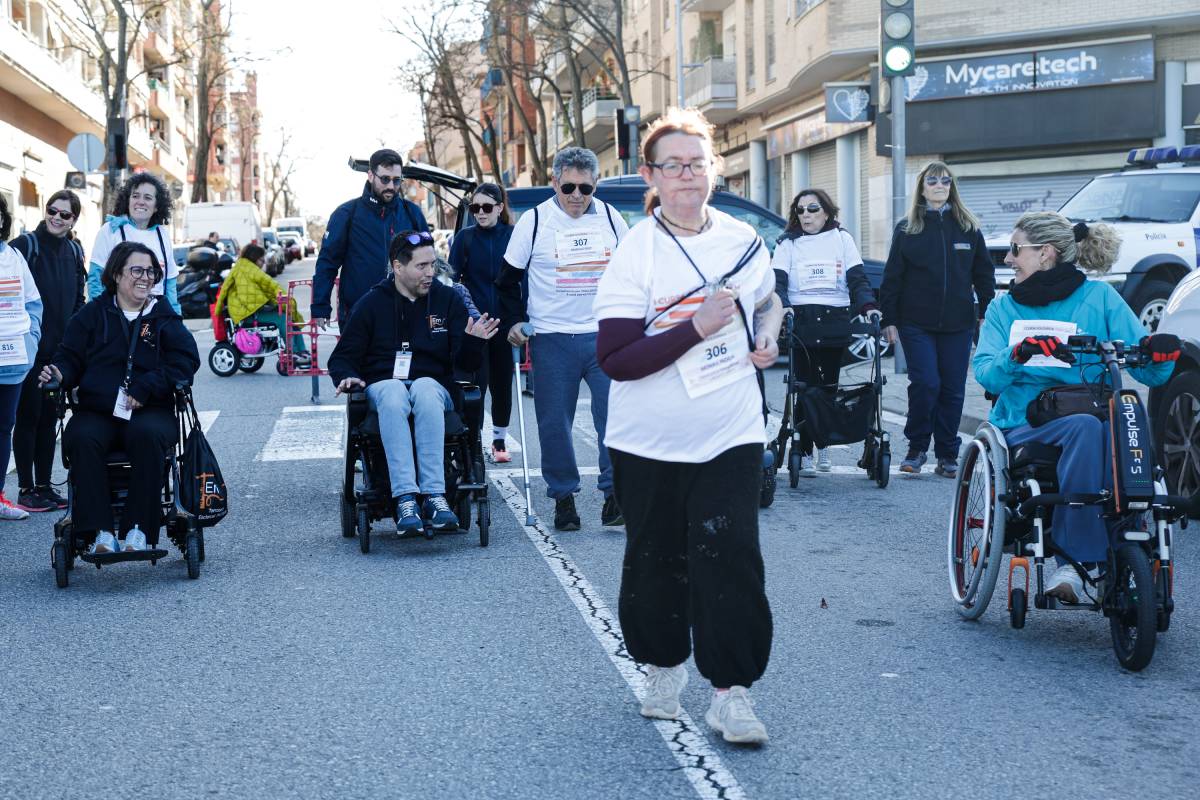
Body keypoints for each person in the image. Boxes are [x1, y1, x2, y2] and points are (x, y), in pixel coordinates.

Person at [594, 108, 782, 745]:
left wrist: (767, 331)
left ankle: (732, 694)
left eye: (697, 164)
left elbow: (767, 297)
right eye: (672, 166)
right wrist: (693, 329)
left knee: (730, 555)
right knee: (656, 560)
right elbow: (616, 359)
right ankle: (664, 669)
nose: (686, 177)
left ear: (713, 170)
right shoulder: (634, 252)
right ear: (650, 174)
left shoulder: (742, 239)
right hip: (647, 439)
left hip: (729, 428)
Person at [973, 211, 1178, 602]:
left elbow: (1152, 376)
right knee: (1088, 427)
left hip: (1095, 411)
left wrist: (1161, 353)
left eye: (1016, 250)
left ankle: (1129, 539)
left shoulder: (1100, 298)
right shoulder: (1003, 309)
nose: (1008, 260)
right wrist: (1017, 354)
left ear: (1046, 253)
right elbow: (986, 375)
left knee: (1124, 417)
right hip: (1026, 418)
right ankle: (1077, 560)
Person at [328, 231, 500, 534]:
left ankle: (435, 496)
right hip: (384, 385)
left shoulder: (448, 301)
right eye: (421, 266)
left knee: (423, 387)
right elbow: (343, 357)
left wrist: (474, 344)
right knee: (394, 392)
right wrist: (347, 376)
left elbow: (466, 366)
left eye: (432, 265)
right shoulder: (371, 304)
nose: (430, 273)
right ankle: (405, 497)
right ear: (398, 267)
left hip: (433, 387)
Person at [497, 147, 630, 530]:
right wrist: (514, 321)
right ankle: (564, 498)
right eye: (568, 186)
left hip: (604, 336)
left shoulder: (610, 216)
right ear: (554, 181)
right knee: (554, 422)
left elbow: (634, 269)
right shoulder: (536, 221)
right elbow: (506, 282)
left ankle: (613, 495)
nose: (576, 195)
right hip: (552, 337)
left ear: (595, 185)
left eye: (584, 188)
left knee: (615, 418)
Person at [38, 242, 200, 553]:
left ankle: (138, 531)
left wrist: (147, 386)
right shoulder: (92, 315)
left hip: (149, 409)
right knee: (82, 437)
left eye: (150, 271)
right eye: (137, 270)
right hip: (98, 410)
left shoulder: (161, 316)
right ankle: (101, 533)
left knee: (148, 434)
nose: (145, 278)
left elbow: (184, 361)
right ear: (116, 273)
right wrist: (58, 372)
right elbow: (69, 357)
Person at [878, 160, 994, 477]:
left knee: (953, 389)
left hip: (958, 323)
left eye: (945, 181)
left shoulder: (968, 228)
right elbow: (892, 279)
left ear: (951, 187)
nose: (940, 185)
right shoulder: (907, 229)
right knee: (926, 383)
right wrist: (889, 319)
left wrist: (985, 313)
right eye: (933, 180)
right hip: (916, 323)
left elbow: (984, 275)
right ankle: (916, 449)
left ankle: (947, 454)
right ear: (923, 187)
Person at [773, 188, 877, 476]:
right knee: (805, 387)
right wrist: (784, 305)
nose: (805, 214)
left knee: (828, 386)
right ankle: (804, 448)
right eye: (800, 209)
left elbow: (857, 279)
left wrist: (868, 305)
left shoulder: (842, 239)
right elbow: (778, 282)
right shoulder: (787, 244)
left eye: (813, 209)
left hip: (834, 319)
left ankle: (824, 444)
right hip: (802, 320)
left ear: (827, 213)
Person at [10, 190, 85, 512]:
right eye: (52, 210)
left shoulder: (72, 249)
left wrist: (76, 344)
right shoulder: (25, 246)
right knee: (28, 418)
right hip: (28, 351)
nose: (56, 217)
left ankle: (44, 486)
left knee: (49, 421)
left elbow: (78, 300)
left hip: (59, 354)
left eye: (65, 214)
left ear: (73, 220)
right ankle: (26, 488)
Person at [311, 148, 430, 329]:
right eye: (385, 179)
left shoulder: (412, 213)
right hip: (359, 314)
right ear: (370, 175)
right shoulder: (347, 214)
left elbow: (429, 262)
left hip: (407, 313)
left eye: (397, 180)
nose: (391, 186)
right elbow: (327, 263)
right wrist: (320, 306)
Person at [448, 183, 515, 463]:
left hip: (505, 321)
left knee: (502, 382)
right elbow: (451, 280)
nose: (481, 213)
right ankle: (472, 438)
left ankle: (499, 440)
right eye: (475, 208)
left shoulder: (513, 236)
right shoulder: (464, 238)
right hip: (475, 324)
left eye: (487, 207)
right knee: (475, 383)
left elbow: (523, 277)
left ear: (500, 208)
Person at [0, 193, 44, 521]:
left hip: (12, 360)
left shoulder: (13, 257)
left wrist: (30, 345)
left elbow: (33, 304)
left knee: (3, 428)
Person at [88, 172, 180, 314]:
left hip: (155, 317)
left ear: (156, 206)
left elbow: (170, 284)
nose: (140, 202)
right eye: (135, 196)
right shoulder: (111, 230)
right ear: (128, 201)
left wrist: (175, 317)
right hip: (118, 316)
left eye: (148, 198)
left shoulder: (162, 234)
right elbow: (95, 278)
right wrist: (101, 316)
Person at [214, 244, 311, 369]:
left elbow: (226, 289)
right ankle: (295, 352)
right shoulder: (247, 268)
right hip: (248, 315)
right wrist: (284, 298)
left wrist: (218, 310)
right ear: (254, 258)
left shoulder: (241, 267)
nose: (263, 262)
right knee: (284, 319)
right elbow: (269, 284)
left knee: (287, 317)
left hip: (246, 313)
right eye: (261, 259)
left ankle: (300, 351)